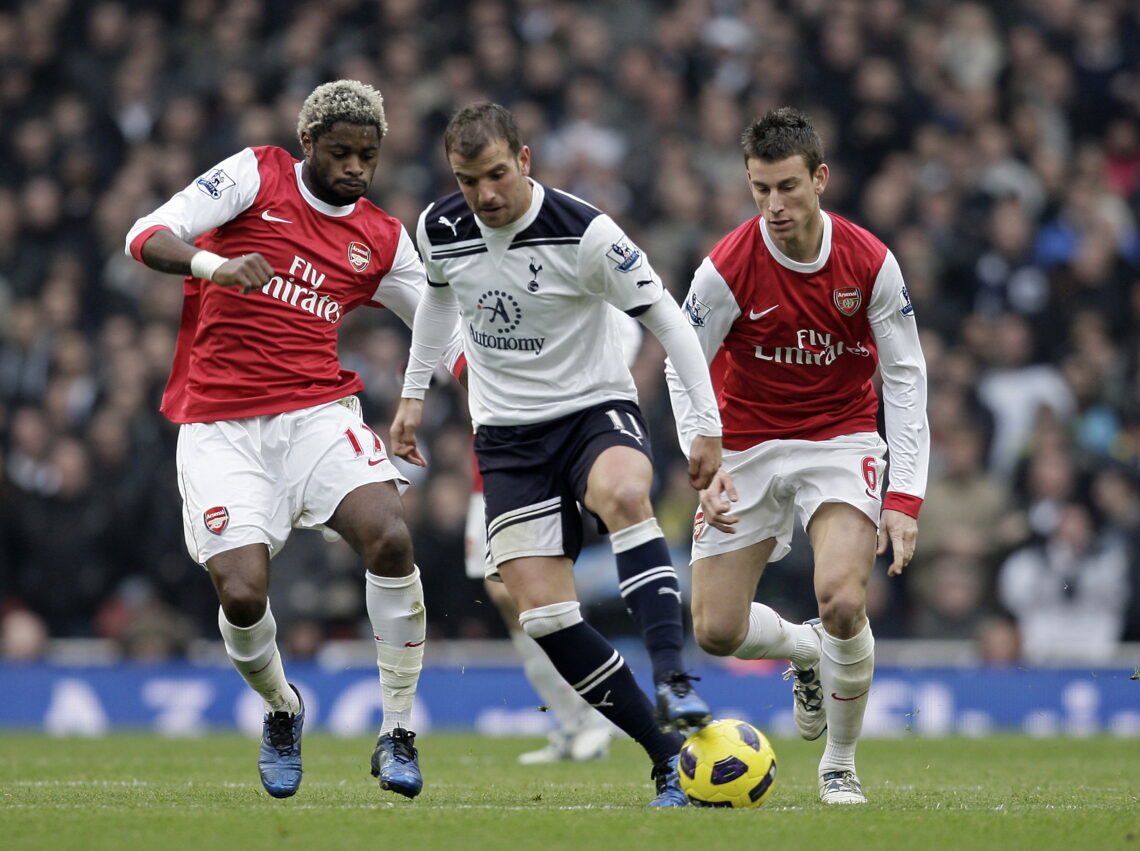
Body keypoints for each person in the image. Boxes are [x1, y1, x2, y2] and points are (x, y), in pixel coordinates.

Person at [124, 80, 459, 800]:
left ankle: (397, 729)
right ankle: (283, 707)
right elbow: (145, 234)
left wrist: (467, 391)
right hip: (219, 425)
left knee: (390, 536)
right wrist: (215, 264)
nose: (355, 169)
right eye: (340, 153)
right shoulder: (255, 175)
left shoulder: (380, 237)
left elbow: (439, 322)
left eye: (368, 156)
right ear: (308, 143)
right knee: (242, 591)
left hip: (316, 413)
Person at [390, 102, 723, 807]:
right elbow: (438, 302)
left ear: (526, 160)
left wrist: (706, 424)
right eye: (468, 178)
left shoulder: (585, 232)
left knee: (627, 494)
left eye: (497, 175)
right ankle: (665, 754)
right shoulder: (440, 228)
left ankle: (674, 676)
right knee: (540, 615)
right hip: (509, 436)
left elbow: (666, 314)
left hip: (591, 408)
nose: (485, 194)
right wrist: (414, 393)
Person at [667, 107, 929, 805]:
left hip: (839, 436)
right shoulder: (726, 267)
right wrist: (704, 445)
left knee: (843, 598)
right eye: (760, 190)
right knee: (717, 630)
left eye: (786, 187)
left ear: (820, 178)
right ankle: (804, 650)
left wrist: (904, 499)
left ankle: (839, 762)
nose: (774, 206)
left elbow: (905, 377)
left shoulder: (868, 261)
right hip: (746, 441)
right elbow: (679, 361)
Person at [465, 310, 641, 766]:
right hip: (496, 445)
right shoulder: (477, 269)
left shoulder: (589, 291)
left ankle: (594, 711)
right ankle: (572, 718)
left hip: (554, 445)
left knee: (535, 591)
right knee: (508, 595)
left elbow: (623, 341)